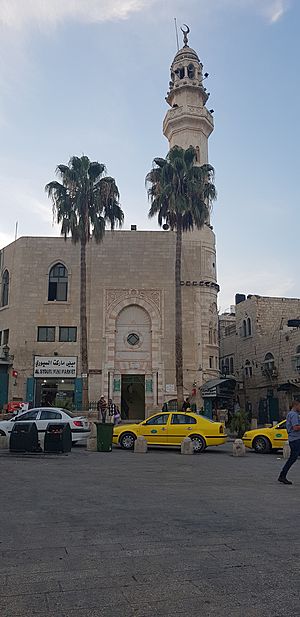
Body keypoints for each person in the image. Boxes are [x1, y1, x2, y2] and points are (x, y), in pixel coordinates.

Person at [278, 400, 300, 485]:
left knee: (292, 458)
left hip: (295, 439)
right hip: (295, 439)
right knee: (292, 458)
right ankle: (282, 476)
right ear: (296, 405)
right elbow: (295, 427)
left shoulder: (293, 414)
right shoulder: (294, 415)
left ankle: (282, 475)